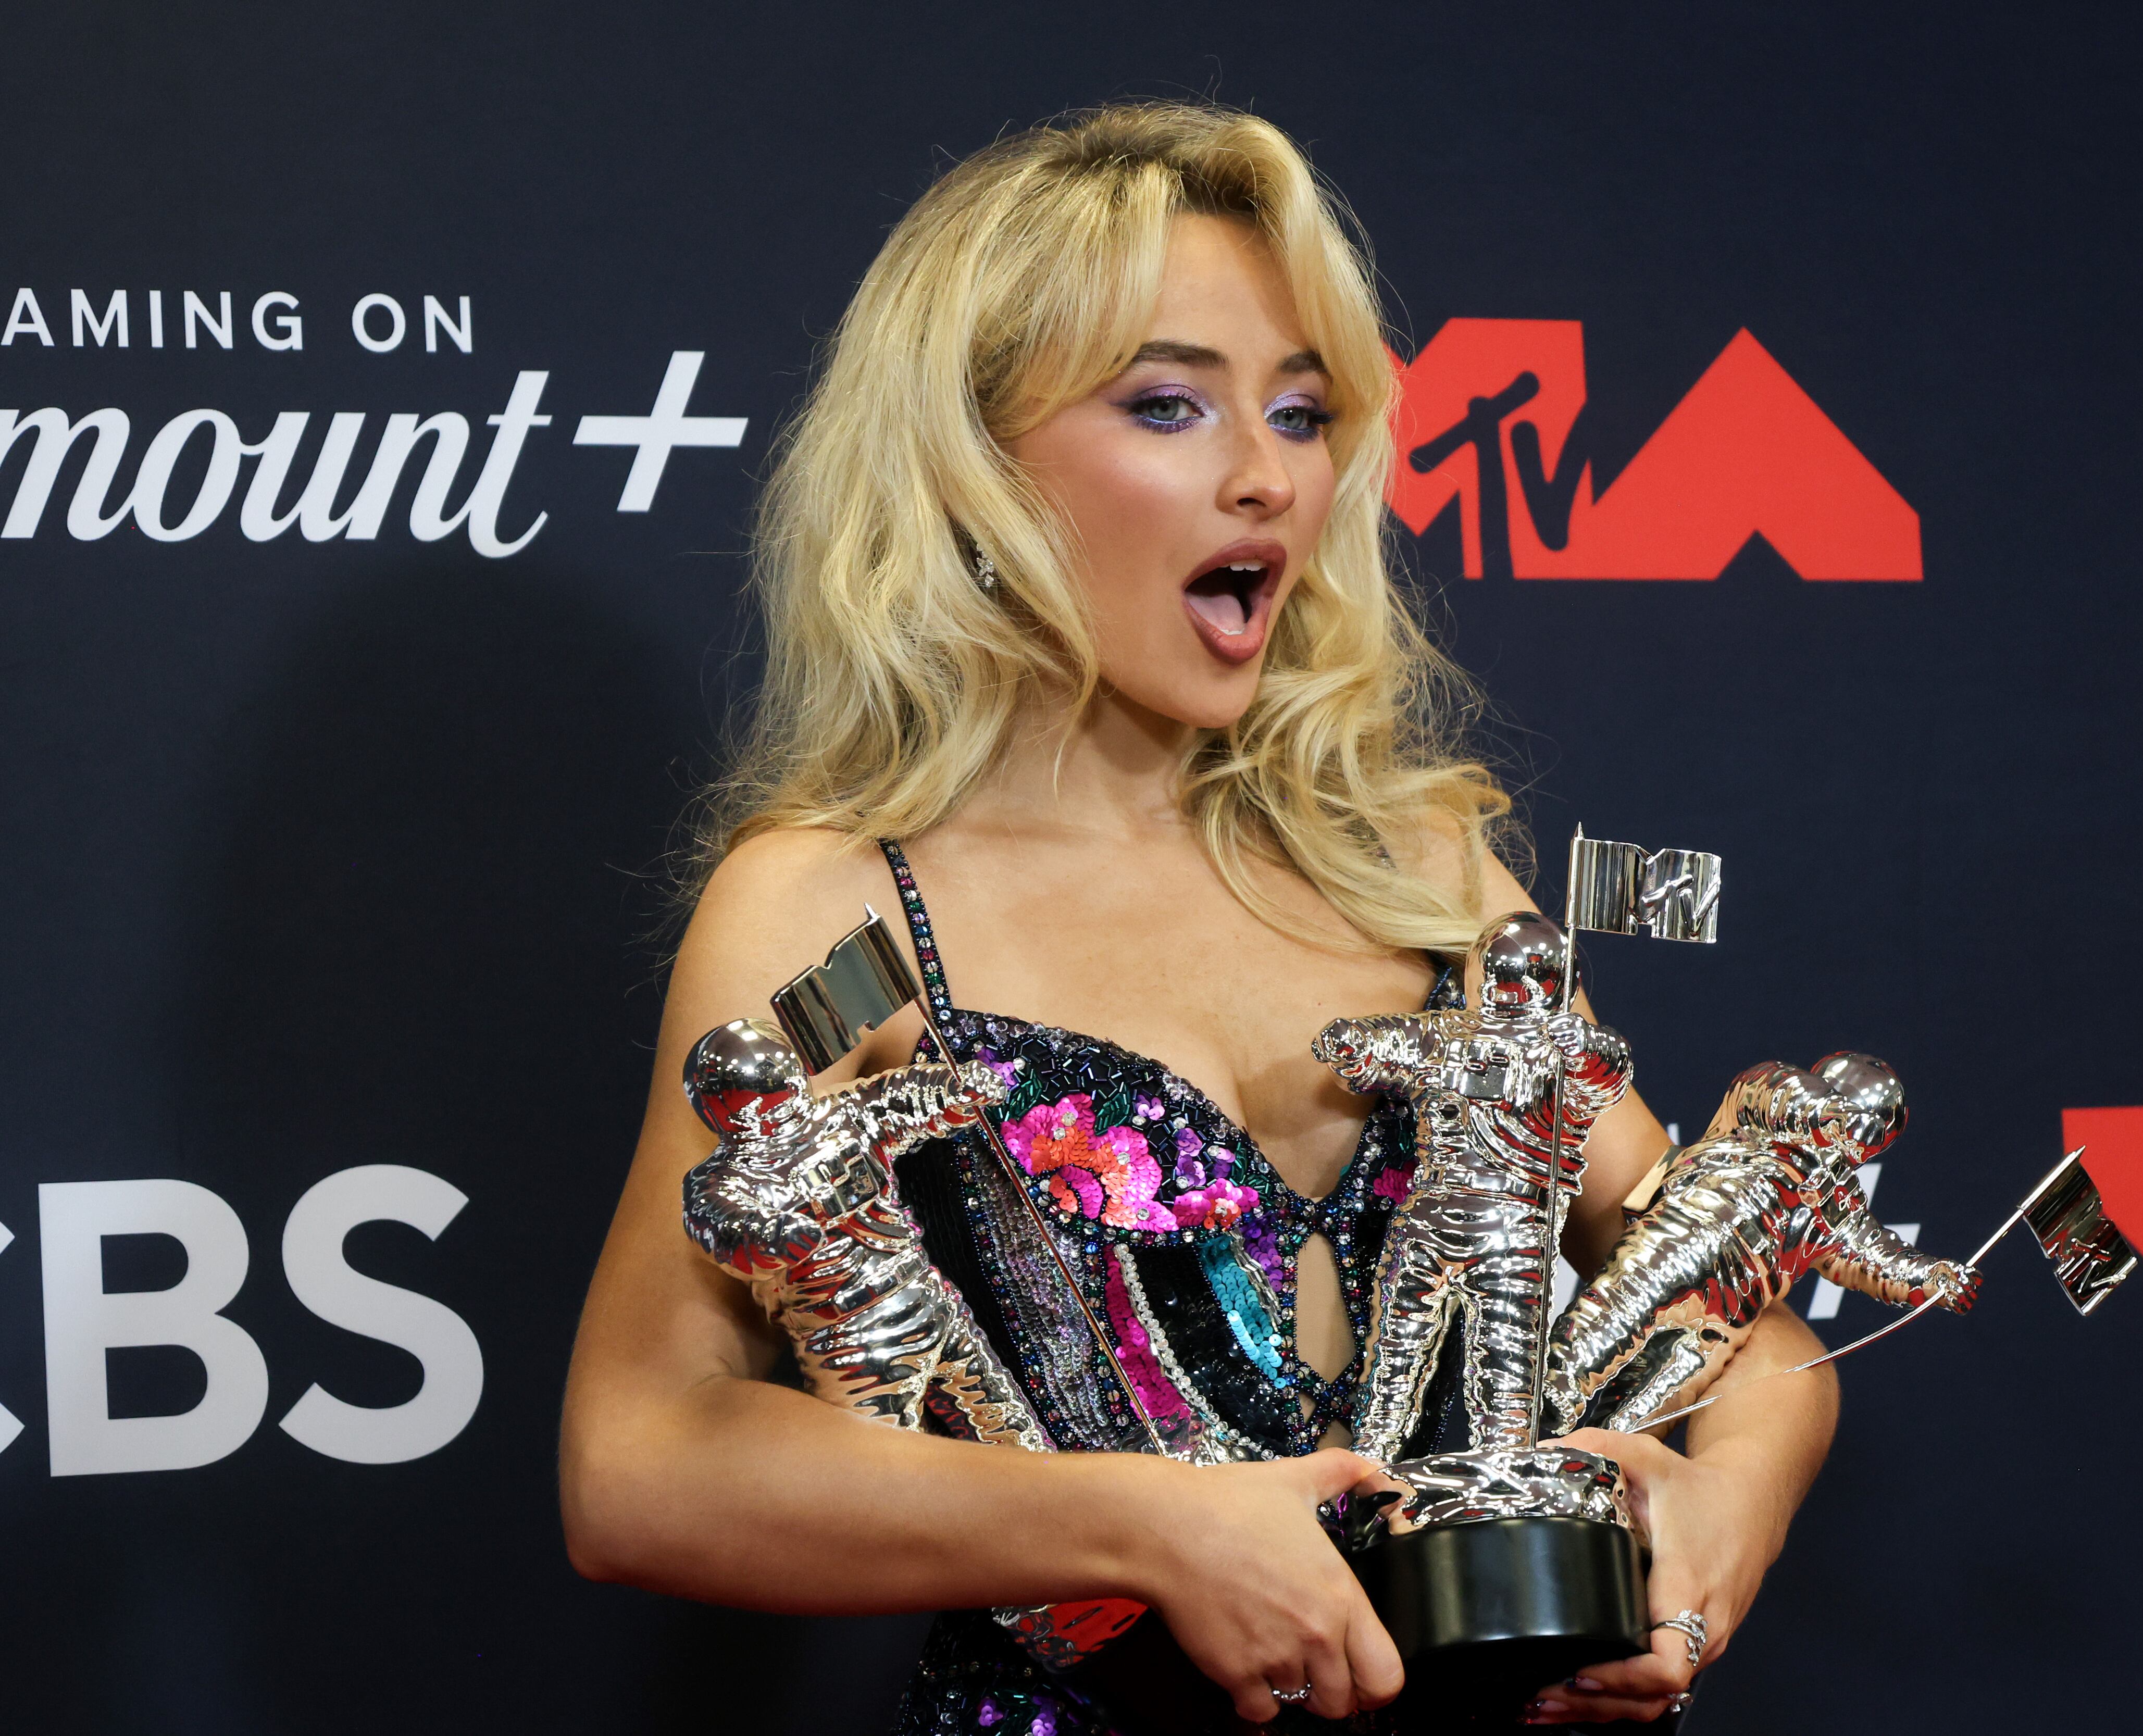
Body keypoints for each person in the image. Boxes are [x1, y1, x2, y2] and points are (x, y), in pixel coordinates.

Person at [559, 102, 1839, 1732]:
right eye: (1167, 405)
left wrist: (1722, 1512)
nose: (1262, 477)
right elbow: (641, 1458)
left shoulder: (1426, 869)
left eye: (1301, 415)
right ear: (970, 461)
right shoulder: (846, 917)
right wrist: (1138, 1526)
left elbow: (1746, 1326)